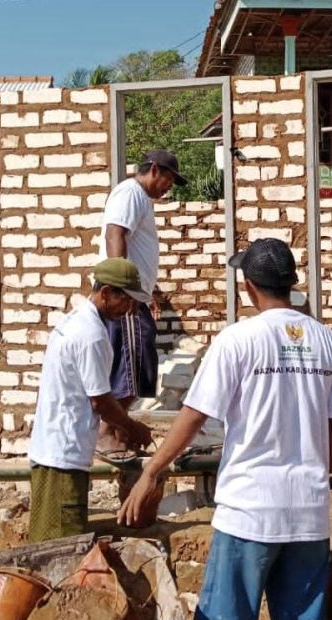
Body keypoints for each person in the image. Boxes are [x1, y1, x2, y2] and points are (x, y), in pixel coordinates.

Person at [117, 239, 332, 620]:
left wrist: (152, 471)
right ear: (291, 285)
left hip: (248, 511)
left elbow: (194, 416)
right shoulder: (327, 342)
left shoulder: (237, 340)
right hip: (307, 511)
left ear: (249, 286)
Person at [28, 258, 154, 543]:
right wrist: (133, 428)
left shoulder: (75, 321)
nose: (130, 309)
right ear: (106, 293)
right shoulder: (92, 336)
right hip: (64, 456)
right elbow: (101, 401)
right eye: (127, 300)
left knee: (47, 540)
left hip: (52, 449)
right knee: (62, 547)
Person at [98, 149, 188, 454]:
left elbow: (135, 248)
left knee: (137, 368)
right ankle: (106, 433)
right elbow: (115, 235)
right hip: (124, 298)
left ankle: (117, 432)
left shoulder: (139, 198)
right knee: (130, 369)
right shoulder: (131, 193)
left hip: (133, 296)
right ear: (154, 170)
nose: (169, 187)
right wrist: (121, 289)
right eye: (169, 180)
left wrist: (147, 294)